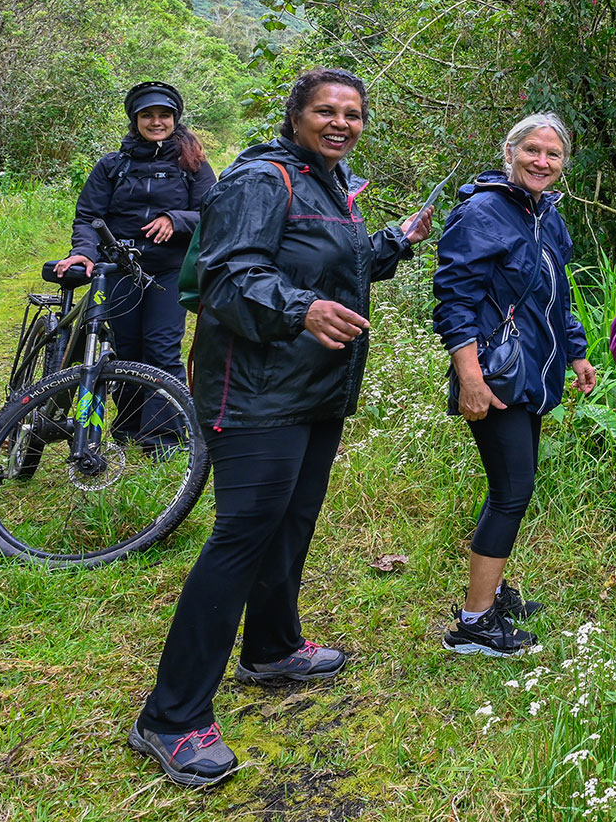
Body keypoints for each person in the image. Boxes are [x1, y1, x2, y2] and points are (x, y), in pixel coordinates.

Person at [128, 68, 433, 788]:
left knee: (291, 523)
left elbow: (337, 266)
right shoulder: (262, 179)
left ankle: (272, 648)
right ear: (295, 115)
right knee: (241, 538)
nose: (341, 121)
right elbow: (231, 280)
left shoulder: (329, 182)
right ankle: (170, 717)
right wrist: (300, 310)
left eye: (353, 113)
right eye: (326, 110)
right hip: (254, 392)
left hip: (315, 389)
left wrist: (394, 240)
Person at [432, 113, 598, 656]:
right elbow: (454, 302)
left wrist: (575, 354)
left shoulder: (545, 214)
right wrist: (471, 379)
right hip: (497, 375)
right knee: (512, 491)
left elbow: (556, 295)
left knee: (512, 489)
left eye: (553, 155)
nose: (541, 161)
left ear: (563, 165)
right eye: (532, 150)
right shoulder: (481, 213)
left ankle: (493, 592)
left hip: (535, 371)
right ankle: (474, 624)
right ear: (510, 152)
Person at [54, 81, 214, 444]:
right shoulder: (113, 164)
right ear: (135, 119)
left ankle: (163, 439)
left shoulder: (193, 163)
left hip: (170, 269)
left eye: (164, 115)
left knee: (160, 349)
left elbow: (211, 211)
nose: (156, 122)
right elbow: (88, 217)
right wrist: (84, 252)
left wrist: (177, 218)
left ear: (175, 118)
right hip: (119, 267)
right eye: (148, 115)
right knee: (127, 351)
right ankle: (127, 429)